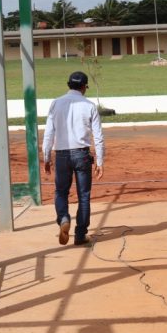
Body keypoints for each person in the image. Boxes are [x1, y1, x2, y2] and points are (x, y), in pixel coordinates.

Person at [42, 71, 105, 246]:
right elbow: (98, 136)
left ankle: (63, 218)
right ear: (84, 87)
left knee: (61, 191)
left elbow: (49, 133)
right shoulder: (89, 105)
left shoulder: (56, 103)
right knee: (83, 195)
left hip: (61, 154)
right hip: (82, 154)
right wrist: (99, 161)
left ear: (69, 84)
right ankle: (80, 234)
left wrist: (46, 157)